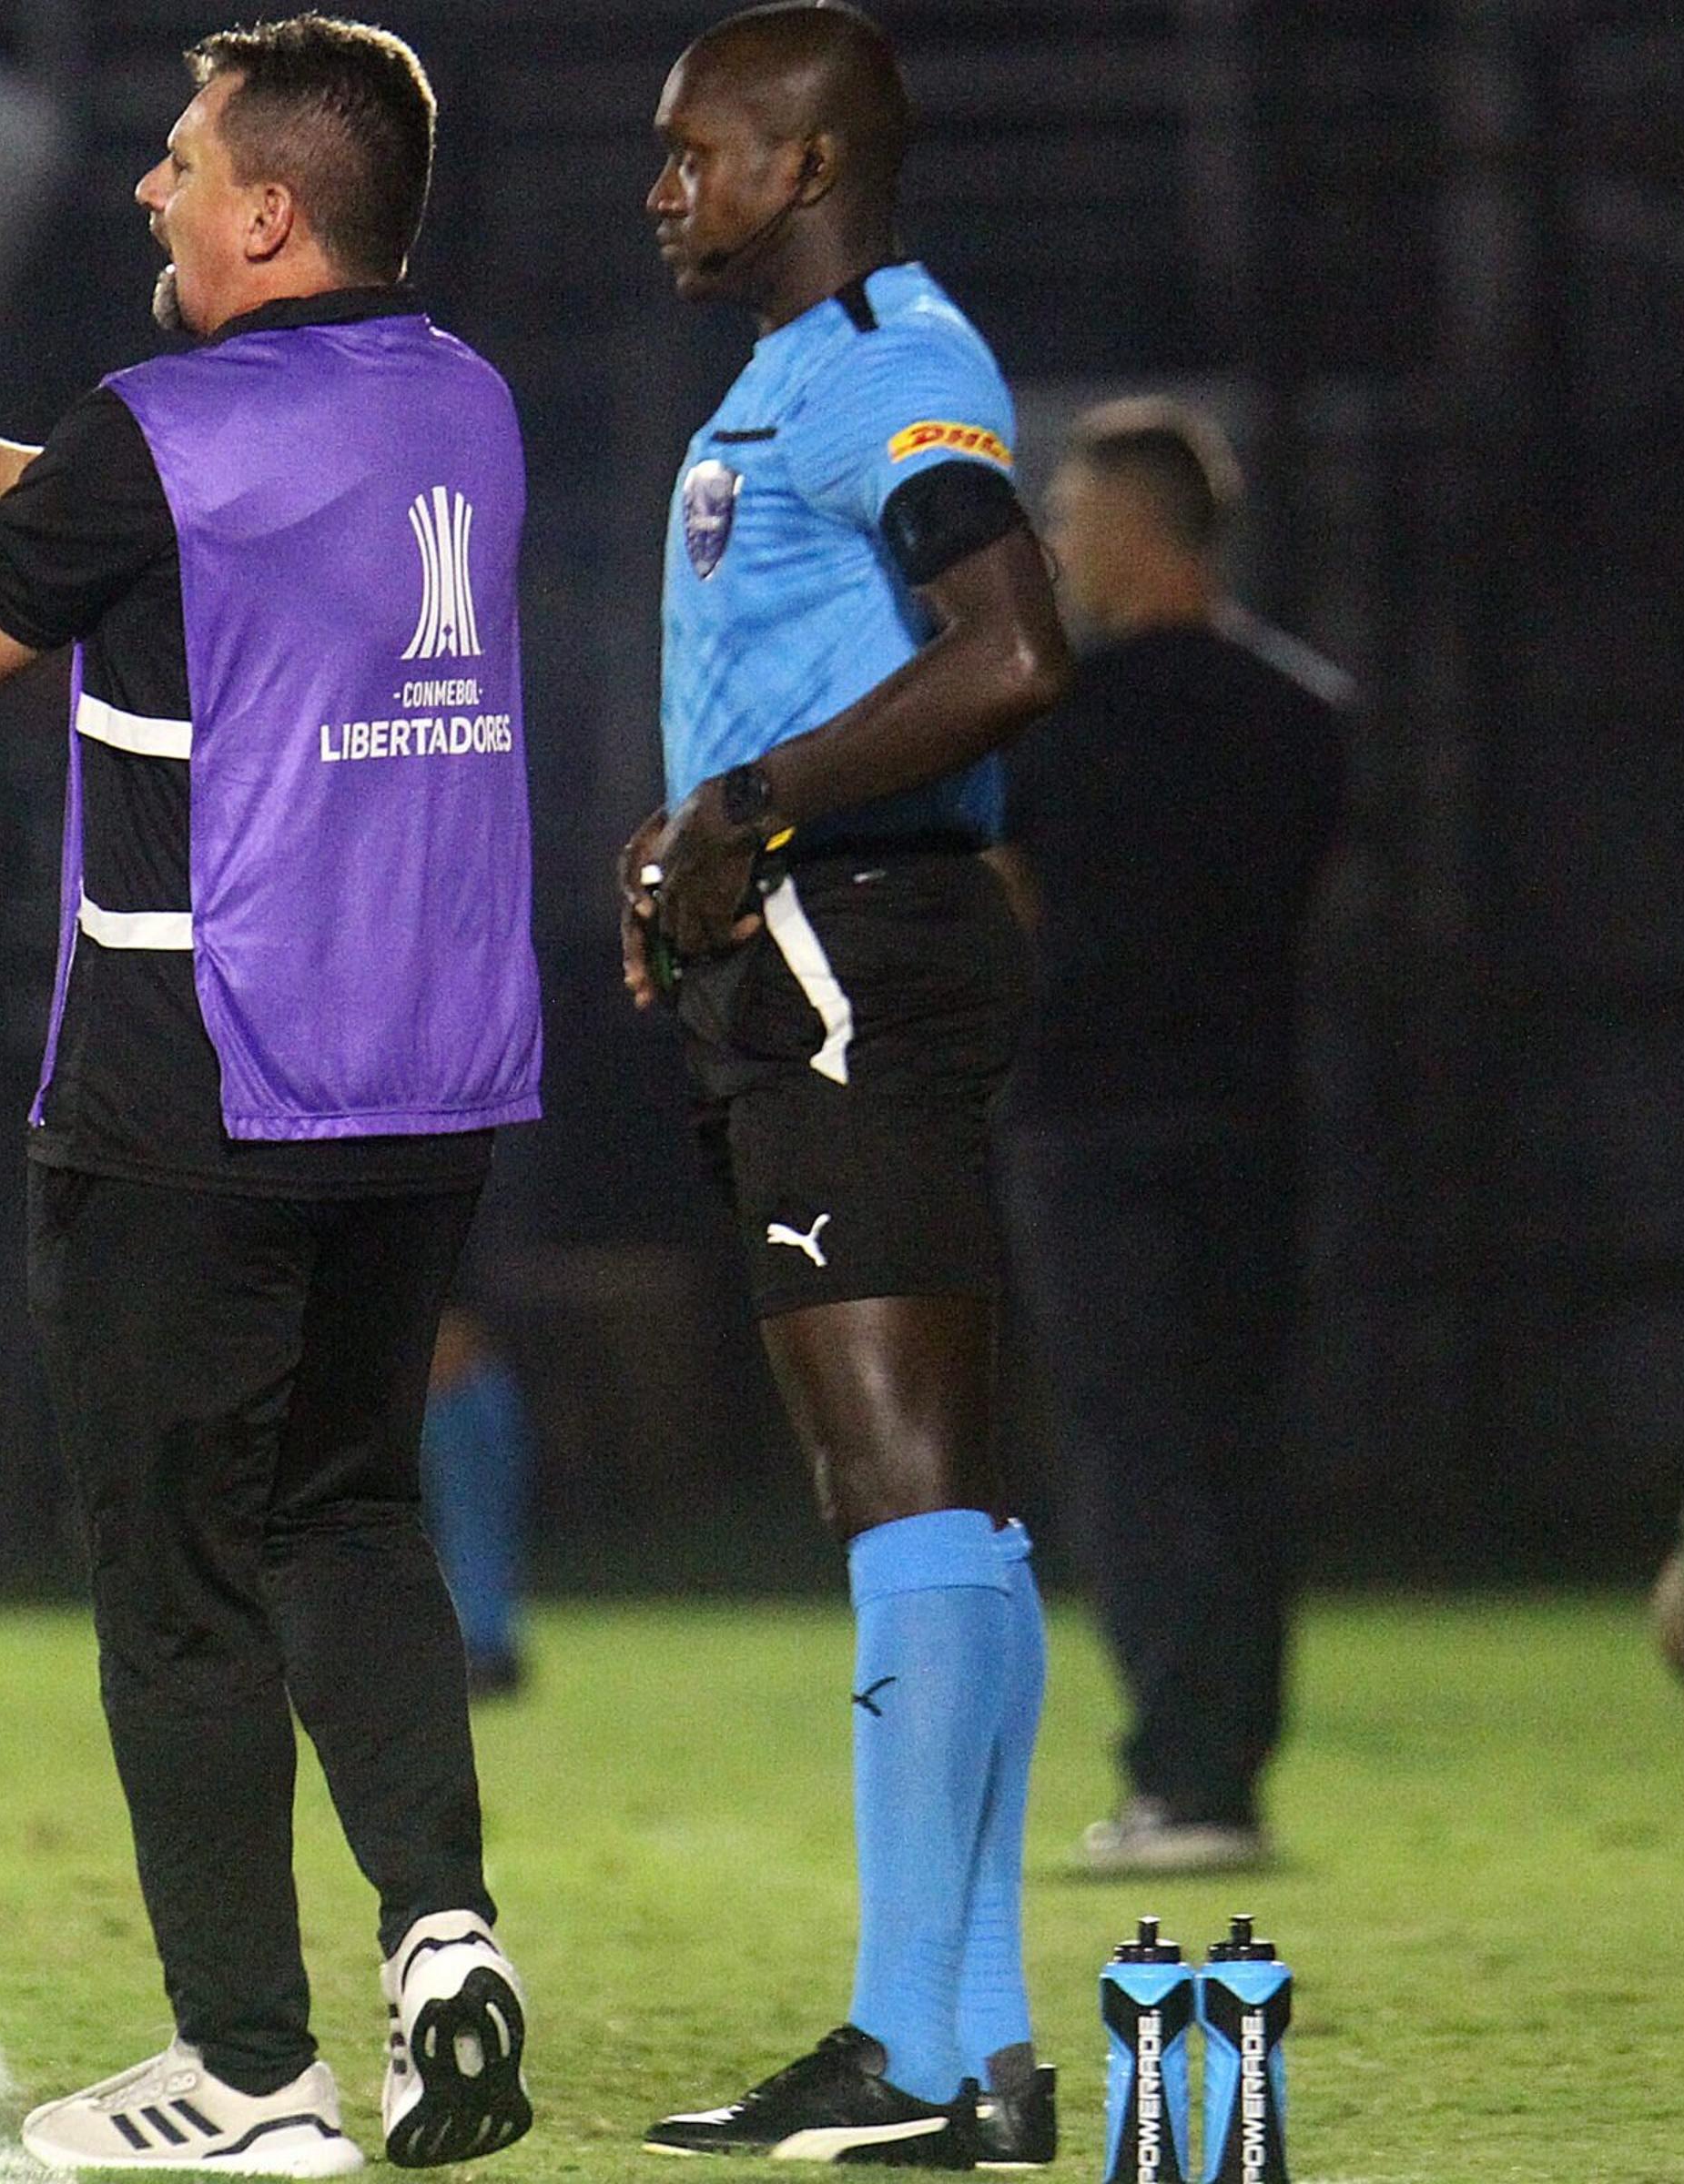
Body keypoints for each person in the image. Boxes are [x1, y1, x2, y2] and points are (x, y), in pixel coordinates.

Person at [0, 18, 538, 2169]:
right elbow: (234, 527)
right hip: (420, 1076)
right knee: (349, 1511)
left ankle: (250, 2070)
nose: (147, 190)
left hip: (193, 1079)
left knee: (172, 1580)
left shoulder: (163, 432)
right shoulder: (462, 403)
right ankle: (441, 1933)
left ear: (264, 208)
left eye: (177, 162)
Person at [614, 5, 1073, 2165]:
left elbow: (1009, 642)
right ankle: (963, 2044)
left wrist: (746, 816)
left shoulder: (892, 356)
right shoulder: (792, 369)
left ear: (802, 165)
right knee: (930, 1496)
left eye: (693, 149)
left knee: (898, 1486)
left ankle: (912, 2041)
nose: (660, 183)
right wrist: (686, 843)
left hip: (847, 947)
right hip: (813, 939)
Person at [995, 399, 1351, 1877]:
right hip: (1254, 1117)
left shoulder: (1046, 712)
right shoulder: (1305, 712)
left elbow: (1010, 896)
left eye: (1074, 518)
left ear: (1137, 530)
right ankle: (1229, 1771)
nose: (1059, 547)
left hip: (1086, 1119)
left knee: (1130, 1450)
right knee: (1237, 1445)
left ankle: (1181, 1782)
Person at [421, 1303, 534, 1697]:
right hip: (463, 1366)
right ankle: (486, 1644)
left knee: (471, 1512)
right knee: (473, 1514)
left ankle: (486, 1646)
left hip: (460, 1374)